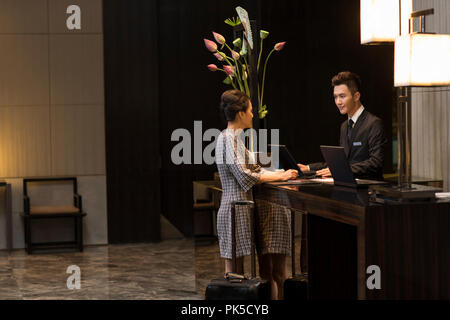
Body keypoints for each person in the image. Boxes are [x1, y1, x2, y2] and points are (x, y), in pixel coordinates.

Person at [215, 89, 297, 299]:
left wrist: (282, 172)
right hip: (234, 209)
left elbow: (256, 168)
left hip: (241, 208)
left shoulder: (235, 139)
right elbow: (245, 175)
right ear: (240, 113)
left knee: (240, 274)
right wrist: (280, 177)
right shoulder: (227, 139)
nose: (253, 114)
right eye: (250, 110)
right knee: (233, 275)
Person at [298, 71, 387, 180]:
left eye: (342, 96)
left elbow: (376, 163)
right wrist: (308, 168)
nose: (338, 102)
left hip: (369, 190)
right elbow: (341, 163)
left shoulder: (373, 123)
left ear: (356, 96)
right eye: (335, 97)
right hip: (347, 187)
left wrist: (341, 169)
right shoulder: (344, 126)